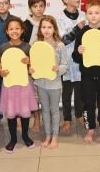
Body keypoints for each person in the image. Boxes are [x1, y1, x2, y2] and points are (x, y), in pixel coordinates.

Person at [72, 0, 100, 143]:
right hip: (87, 75)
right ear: (86, 15)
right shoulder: (82, 33)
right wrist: (79, 52)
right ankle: (90, 129)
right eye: (90, 13)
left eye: (97, 13)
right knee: (88, 102)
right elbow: (75, 56)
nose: (93, 16)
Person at [0, 18, 38, 153]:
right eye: (11, 29)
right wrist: (0, 72)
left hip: (24, 84)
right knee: (11, 113)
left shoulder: (27, 47)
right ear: (7, 31)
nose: (14, 31)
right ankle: (13, 139)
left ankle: (26, 136)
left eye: (17, 28)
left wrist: (30, 62)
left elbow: (33, 67)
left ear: (22, 30)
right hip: (9, 85)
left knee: (25, 112)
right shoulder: (3, 47)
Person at [31, 16, 67, 149]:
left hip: (55, 84)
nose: (46, 30)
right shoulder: (36, 45)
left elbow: (64, 65)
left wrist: (58, 69)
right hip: (40, 84)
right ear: (40, 29)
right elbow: (33, 64)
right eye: (44, 27)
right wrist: (31, 69)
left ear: (54, 29)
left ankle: (55, 137)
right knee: (44, 110)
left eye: (49, 27)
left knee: (55, 110)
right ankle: (47, 135)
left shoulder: (59, 45)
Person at [56, 0, 85, 133]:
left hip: (81, 60)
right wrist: (77, 29)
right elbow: (63, 40)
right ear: (65, 0)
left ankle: (79, 115)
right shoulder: (59, 19)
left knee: (80, 90)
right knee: (67, 92)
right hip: (66, 60)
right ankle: (67, 119)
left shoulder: (84, 16)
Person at [22, 0, 47, 132]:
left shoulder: (49, 21)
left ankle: (48, 118)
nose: (38, 9)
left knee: (47, 92)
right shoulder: (25, 25)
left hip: (47, 64)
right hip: (32, 66)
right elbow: (23, 46)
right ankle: (37, 119)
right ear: (30, 8)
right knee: (34, 95)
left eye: (41, 6)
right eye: (35, 6)